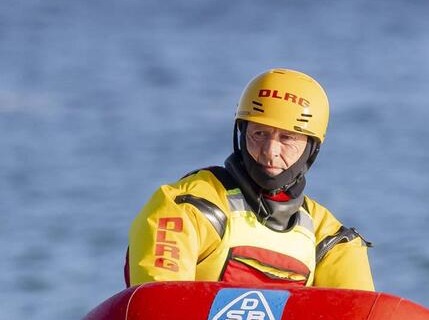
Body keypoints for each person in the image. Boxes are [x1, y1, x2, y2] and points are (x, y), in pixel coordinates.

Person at [125, 69, 373, 289]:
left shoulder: (331, 240)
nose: (270, 151)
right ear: (241, 134)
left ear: (312, 148)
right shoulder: (189, 208)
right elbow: (156, 309)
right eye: (259, 134)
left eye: (287, 138)